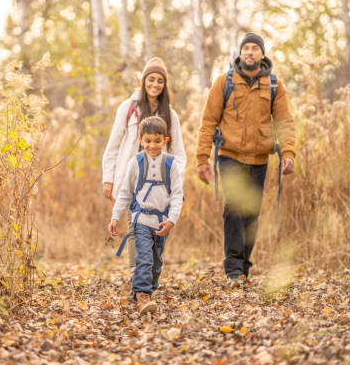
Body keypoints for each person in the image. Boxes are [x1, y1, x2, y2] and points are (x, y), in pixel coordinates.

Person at [195, 33, 296, 287]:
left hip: (260, 159)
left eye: (254, 48)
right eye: (246, 48)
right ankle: (233, 269)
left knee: (251, 213)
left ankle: (243, 268)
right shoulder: (224, 82)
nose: (250, 52)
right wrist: (202, 158)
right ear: (240, 54)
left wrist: (288, 154)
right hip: (230, 156)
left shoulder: (274, 85)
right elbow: (208, 122)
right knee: (233, 208)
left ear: (262, 54)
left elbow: (285, 123)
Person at [102, 57, 186, 273]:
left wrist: (177, 180)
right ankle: (136, 272)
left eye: (160, 80)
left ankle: (148, 270)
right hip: (130, 178)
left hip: (159, 183)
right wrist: (108, 179)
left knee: (155, 231)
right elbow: (113, 145)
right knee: (134, 225)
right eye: (151, 79)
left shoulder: (170, 114)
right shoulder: (128, 108)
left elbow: (179, 153)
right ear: (144, 80)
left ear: (164, 84)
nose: (155, 84)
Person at [108, 116, 184, 315]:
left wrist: (171, 220)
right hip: (140, 219)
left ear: (165, 141)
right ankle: (142, 295)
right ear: (141, 140)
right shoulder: (136, 163)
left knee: (156, 262)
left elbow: (177, 195)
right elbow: (125, 192)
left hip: (161, 223)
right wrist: (115, 217)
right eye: (148, 141)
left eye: (157, 141)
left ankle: (148, 289)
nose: (152, 145)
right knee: (144, 258)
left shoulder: (171, 164)